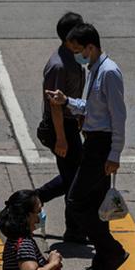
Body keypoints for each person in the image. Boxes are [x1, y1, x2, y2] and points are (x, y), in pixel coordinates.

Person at [46, 24, 129, 270]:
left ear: (90, 47)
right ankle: (103, 267)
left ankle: (112, 251)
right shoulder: (94, 70)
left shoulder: (109, 72)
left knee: (77, 201)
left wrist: (114, 154)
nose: (76, 55)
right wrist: (66, 101)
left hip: (101, 147)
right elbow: (93, 107)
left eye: (78, 50)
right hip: (93, 142)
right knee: (95, 207)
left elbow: (118, 116)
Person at [35, 13, 87, 242]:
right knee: (75, 179)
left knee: (71, 177)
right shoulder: (58, 65)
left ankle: (31, 200)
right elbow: (55, 107)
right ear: (69, 38)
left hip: (70, 124)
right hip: (60, 127)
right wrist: (61, 139)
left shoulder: (74, 58)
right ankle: (74, 231)